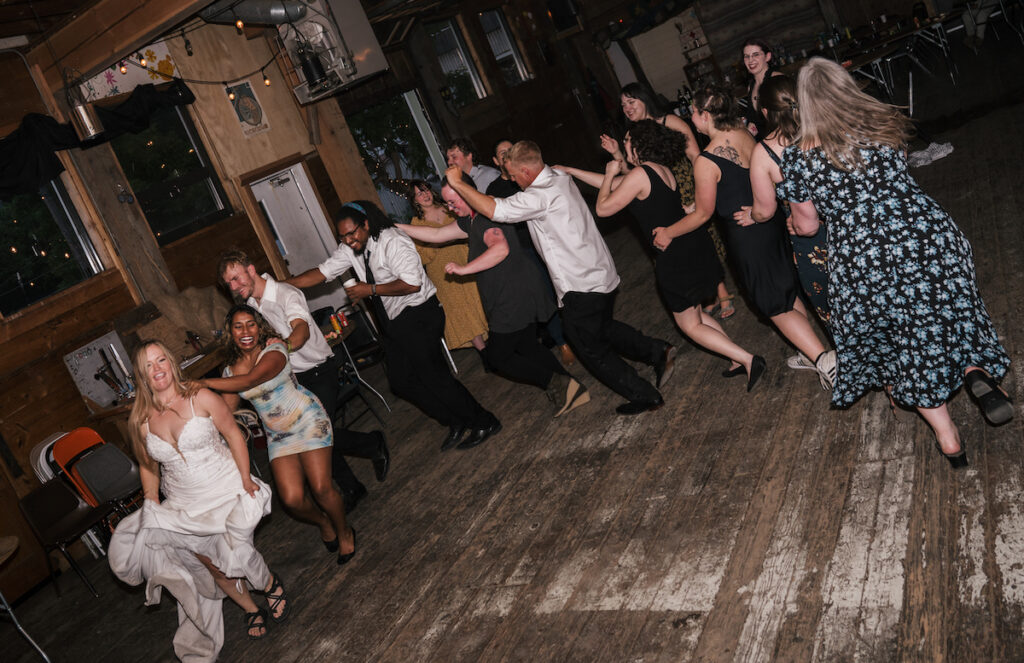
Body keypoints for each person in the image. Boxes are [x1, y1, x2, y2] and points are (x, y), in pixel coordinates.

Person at [778, 57, 1012, 466]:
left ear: (804, 102)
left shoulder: (798, 158)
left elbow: (809, 225)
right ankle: (974, 371)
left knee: (901, 341)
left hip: (865, 258)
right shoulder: (884, 123)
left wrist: (797, 224)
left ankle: (948, 438)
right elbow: (900, 172)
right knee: (951, 311)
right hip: (926, 234)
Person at [446, 140, 676, 415]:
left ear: (526, 172)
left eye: (514, 175)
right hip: (599, 270)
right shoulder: (558, 176)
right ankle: (656, 351)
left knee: (587, 345)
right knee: (601, 327)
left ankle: (645, 395)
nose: (513, 180)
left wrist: (458, 184)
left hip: (580, 281)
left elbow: (497, 210)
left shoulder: (539, 195)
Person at [109, 340, 286, 661]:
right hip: (184, 505)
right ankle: (250, 608)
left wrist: (246, 477)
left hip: (224, 488)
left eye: (161, 360)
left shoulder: (200, 397)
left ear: (171, 363)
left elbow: (233, 434)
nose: (157, 369)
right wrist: (151, 501)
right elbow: (148, 466)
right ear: (141, 375)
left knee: (237, 554)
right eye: (148, 365)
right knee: (215, 567)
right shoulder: (139, 420)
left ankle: (270, 584)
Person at [652, 84, 835, 388]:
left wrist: (668, 231)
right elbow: (738, 184)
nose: (691, 118)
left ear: (705, 115)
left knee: (773, 304)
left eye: (693, 112)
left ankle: (824, 360)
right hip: (771, 222)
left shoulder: (706, 160)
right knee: (786, 291)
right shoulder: (744, 134)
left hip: (747, 237)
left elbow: (703, 215)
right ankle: (809, 351)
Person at [559, 120, 765, 389]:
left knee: (689, 325)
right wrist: (570, 171)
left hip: (675, 256)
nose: (625, 144)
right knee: (696, 315)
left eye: (628, 140)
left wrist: (609, 173)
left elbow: (603, 208)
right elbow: (617, 185)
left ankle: (748, 359)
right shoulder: (658, 169)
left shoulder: (639, 175)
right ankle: (737, 359)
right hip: (693, 246)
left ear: (639, 145)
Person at [287, 201, 502, 451]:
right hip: (394, 320)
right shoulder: (351, 247)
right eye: (342, 236)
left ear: (366, 224)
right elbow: (322, 273)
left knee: (433, 375)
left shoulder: (393, 241)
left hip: (420, 312)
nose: (348, 240)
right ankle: (455, 419)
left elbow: (412, 284)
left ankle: (484, 421)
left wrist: (370, 289)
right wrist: (283, 285)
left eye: (352, 233)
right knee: (401, 381)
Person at [397, 177, 590, 417]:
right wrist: (398, 227)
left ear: (468, 193)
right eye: (447, 202)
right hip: (515, 291)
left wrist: (464, 269)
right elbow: (437, 234)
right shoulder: (470, 219)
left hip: (513, 296)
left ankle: (557, 383)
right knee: (528, 346)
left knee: (498, 357)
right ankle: (572, 388)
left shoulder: (485, 218)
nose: (450, 207)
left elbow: (500, 248)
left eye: (453, 201)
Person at [217, 250, 390, 513]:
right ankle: (352, 486)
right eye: (228, 283)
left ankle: (372, 445)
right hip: (292, 381)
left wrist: (283, 346)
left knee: (319, 434)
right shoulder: (251, 306)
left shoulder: (286, 293)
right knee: (319, 434)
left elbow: (301, 330)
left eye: (236, 278)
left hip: (319, 371)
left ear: (251, 270)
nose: (233, 287)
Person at [202, 305, 356, 564]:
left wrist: (203, 382)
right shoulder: (229, 371)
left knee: (321, 488)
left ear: (259, 327)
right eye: (238, 326)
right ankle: (323, 522)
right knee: (292, 500)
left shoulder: (275, 350)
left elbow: (251, 380)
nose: (246, 331)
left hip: (307, 420)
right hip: (278, 436)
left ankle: (345, 532)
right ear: (230, 332)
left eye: (251, 324)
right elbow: (225, 412)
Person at [602, 82, 736, 320]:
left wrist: (700, 190)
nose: (627, 108)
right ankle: (704, 296)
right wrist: (615, 153)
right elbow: (631, 175)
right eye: (623, 105)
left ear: (644, 99)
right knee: (678, 246)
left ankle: (721, 292)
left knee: (703, 236)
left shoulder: (668, 121)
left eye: (631, 102)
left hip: (686, 184)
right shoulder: (633, 134)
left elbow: (695, 155)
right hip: (660, 193)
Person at [733, 75, 833, 384]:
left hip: (810, 236)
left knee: (832, 304)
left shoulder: (765, 152)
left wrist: (754, 215)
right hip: (849, 223)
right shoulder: (827, 125)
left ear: (765, 112)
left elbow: (765, 210)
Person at [488, 138, 576, 366]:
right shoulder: (494, 189)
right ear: (496, 161)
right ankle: (562, 342)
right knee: (544, 295)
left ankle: (576, 331)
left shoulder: (529, 178)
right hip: (524, 250)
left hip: (548, 243)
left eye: (510, 150)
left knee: (564, 288)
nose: (507, 154)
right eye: (502, 153)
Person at [406, 180, 489, 354]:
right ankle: (484, 353)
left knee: (481, 301)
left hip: (466, 260)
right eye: (419, 193)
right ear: (414, 200)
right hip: (443, 272)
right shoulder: (416, 224)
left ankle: (497, 343)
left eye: (426, 190)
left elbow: (471, 229)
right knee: (463, 311)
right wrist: (436, 242)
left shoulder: (450, 208)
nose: (425, 195)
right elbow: (421, 258)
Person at [740, 38, 783, 137]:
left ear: (767, 57)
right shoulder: (751, 87)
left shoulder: (777, 79)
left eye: (756, 55)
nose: (750, 60)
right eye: (747, 56)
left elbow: (790, 119)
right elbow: (755, 124)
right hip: (766, 141)